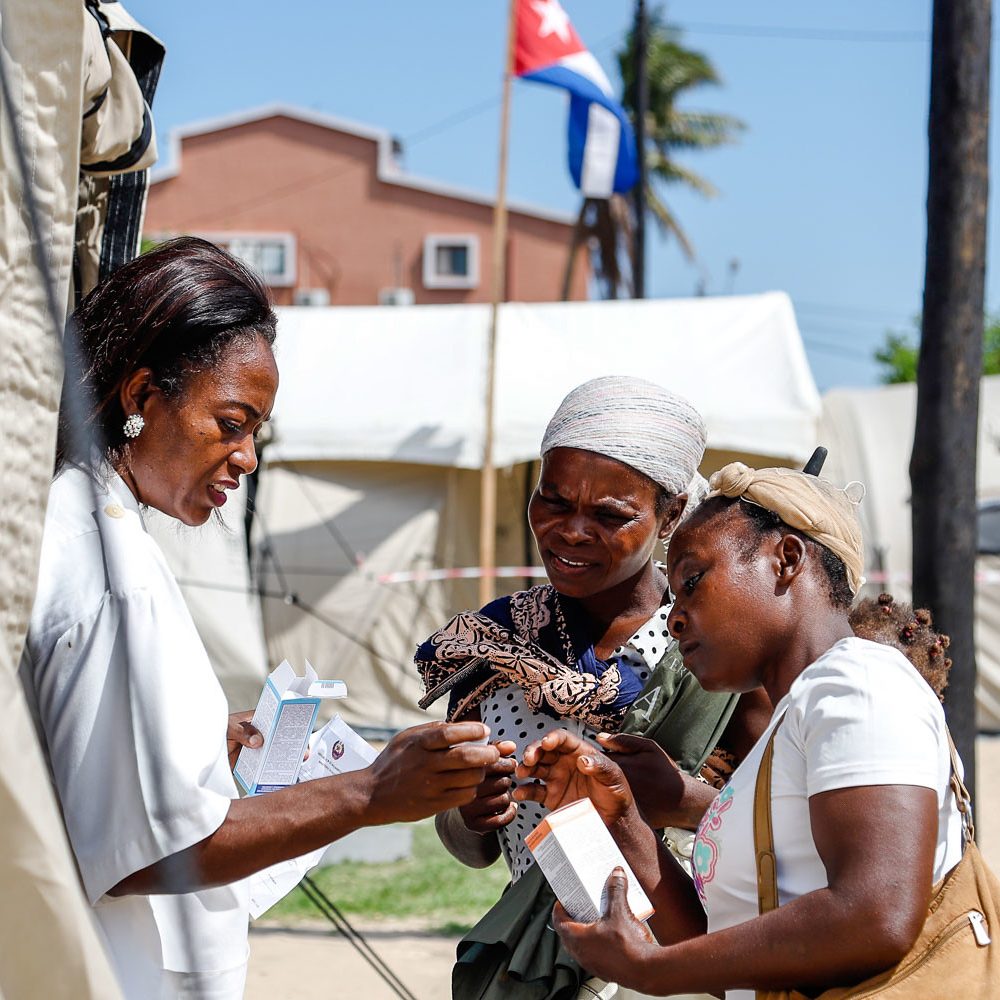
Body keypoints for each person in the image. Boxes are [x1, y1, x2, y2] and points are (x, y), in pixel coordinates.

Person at [19, 237, 499, 1000]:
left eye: (256, 434)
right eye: (231, 422)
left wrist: (201, 734)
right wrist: (367, 793)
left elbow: (50, 751)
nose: (245, 457)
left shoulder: (75, 522)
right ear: (141, 398)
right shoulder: (111, 574)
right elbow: (149, 849)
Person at [515, 462, 966, 1000]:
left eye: (692, 581)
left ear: (786, 560)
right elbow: (731, 956)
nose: (674, 618)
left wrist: (651, 971)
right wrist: (626, 822)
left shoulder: (856, 682)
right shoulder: (790, 724)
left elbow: (876, 913)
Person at [415, 377, 769, 999]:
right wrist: (472, 815)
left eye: (610, 515)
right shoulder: (493, 644)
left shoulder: (720, 646)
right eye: (552, 502)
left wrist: (682, 800)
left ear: (672, 514)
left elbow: (784, 827)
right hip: (538, 960)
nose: (572, 531)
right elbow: (468, 844)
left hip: (678, 967)